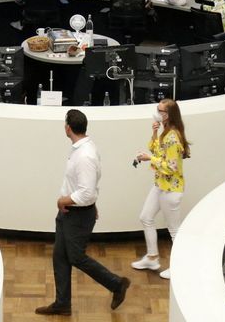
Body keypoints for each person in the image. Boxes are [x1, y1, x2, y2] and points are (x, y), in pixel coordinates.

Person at [35, 109, 130, 316]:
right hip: (72, 212)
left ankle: (116, 284)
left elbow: (86, 192)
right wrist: (88, 202)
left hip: (77, 214)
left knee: (76, 257)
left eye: (64, 123)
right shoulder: (83, 148)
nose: (64, 126)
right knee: (60, 256)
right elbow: (90, 185)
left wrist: (63, 200)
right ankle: (62, 303)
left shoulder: (85, 155)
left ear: (68, 127)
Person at [131, 98, 190, 279]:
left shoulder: (173, 136)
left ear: (169, 115)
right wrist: (154, 133)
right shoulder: (166, 132)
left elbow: (172, 167)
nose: (157, 112)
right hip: (160, 185)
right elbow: (157, 150)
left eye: (161, 110)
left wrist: (150, 159)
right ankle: (152, 257)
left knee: (174, 229)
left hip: (171, 190)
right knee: (146, 217)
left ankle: (180, 266)